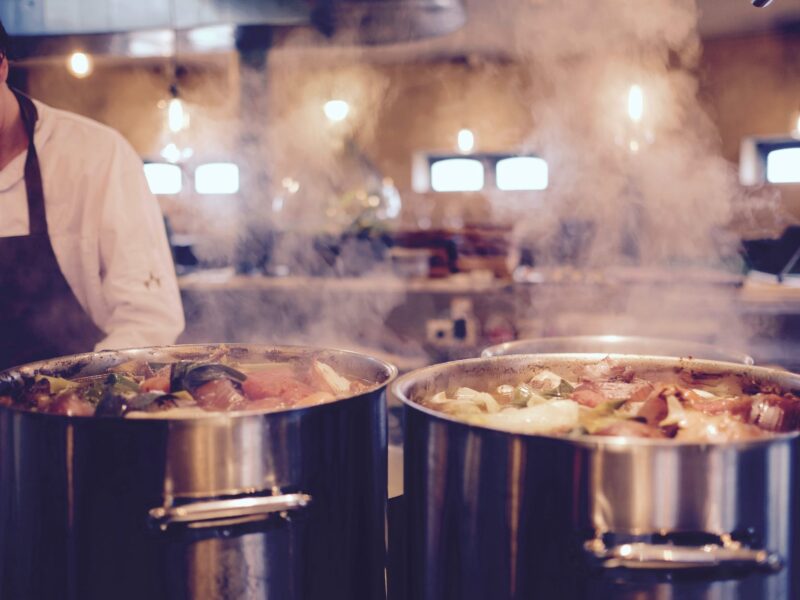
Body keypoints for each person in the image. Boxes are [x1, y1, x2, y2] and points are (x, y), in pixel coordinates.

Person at [0, 21, 184, 369]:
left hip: (72, 414)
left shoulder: (95, 156)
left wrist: (78, 395)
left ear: (1, 65)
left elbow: (148, 320)